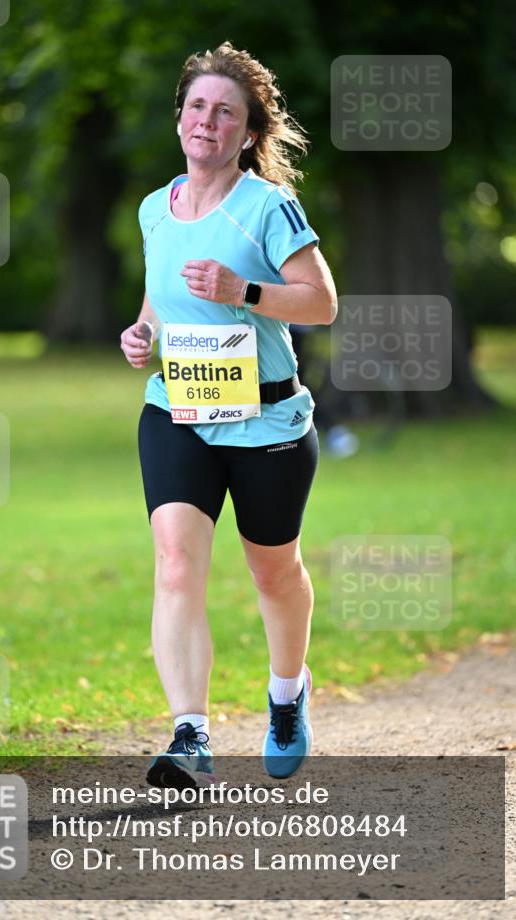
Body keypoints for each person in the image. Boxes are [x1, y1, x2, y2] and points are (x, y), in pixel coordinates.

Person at [120, 42, 337, 790]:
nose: (206, 120)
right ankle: (190, 736)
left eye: (225, 112)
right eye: (196, 106)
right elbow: (159, 298)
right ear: (179, 117)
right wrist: (140, 332)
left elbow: (320, 302)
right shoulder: (156, 208)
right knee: (176, 563)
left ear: (247, 133)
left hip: (267, 421)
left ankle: (286, 694)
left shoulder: (266, 207)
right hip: (176, 409)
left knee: (271, 572)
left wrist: (243, 291)